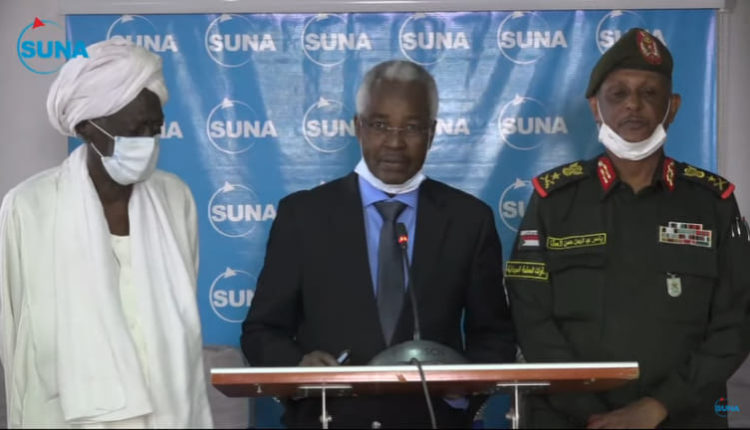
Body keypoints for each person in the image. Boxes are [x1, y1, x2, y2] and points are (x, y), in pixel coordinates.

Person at [241, 60, 516, 428]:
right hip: (330, 418)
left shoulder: (469, 220)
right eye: (380, 125)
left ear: (432, 132)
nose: (395, 142)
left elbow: (494, 334)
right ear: (359, 127)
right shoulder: (303, 216)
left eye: (412, 127)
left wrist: (461, 388)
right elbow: (261, 330)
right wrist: (298, 367)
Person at [506, 28, 750, 428]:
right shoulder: (553, 201)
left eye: (649, 93)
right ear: (595, 107)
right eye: (618, 94)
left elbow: (735, 322)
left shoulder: (713, 204)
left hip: (684, 416)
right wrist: (593, 414)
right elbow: (529, 317)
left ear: (672, 107)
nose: (633, 105)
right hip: (572, 419)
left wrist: (658, 406)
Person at [0, 38, 213, 427]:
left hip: (168, 410)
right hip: (64, 415)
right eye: (134, 130)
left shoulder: (175, 198)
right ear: (87, 127)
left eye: (155, 129)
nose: (147, 142)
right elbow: (12, 329)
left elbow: (183, 315)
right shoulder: (29, 206)